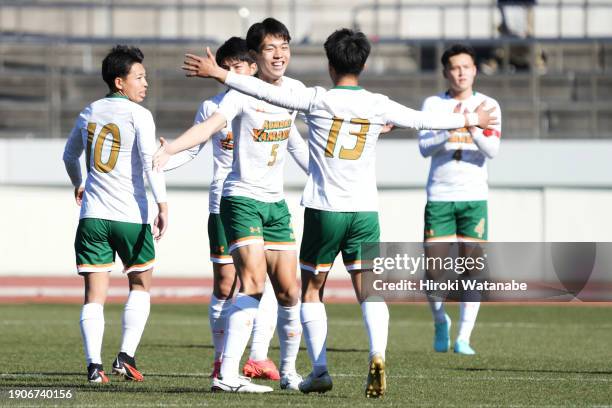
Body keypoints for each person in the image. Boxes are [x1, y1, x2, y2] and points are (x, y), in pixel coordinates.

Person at [178, 29, 498, 398]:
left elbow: (265, 91)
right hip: (365, 211)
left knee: (312, 290)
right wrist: (470, 118)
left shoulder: (316, 98)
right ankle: (377, 354)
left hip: (324, 209)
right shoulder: (378, 103)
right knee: (370, 292)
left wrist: (221, 74)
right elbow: (420, 120)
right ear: (363, 63)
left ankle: (319, 369)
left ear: (330, 64)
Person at [155, 18, 309, 393]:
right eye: (271, 48)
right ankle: (225, 371)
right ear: (257, 57)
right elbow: (205, 133)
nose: (279, 54)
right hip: (238, 198)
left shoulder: (295, 91)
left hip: (275, 204)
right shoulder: (236, 96)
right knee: (245, 283)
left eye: (283, 46)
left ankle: (286, 371)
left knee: (289, 290)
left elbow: (300, 143)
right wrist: (169, 149)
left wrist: (331, 169)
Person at [62, 45, 168, 383]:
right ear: (119, 81)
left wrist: (79, 183)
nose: (145, 83)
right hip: (129, 216)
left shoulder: (89, 111)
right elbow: (152, 164)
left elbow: (68, 156)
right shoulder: (140, 115)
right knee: (140, 283)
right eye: (139, 77)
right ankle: (125, 356)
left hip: (92, 216)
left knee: (94, 293)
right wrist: (163, 204)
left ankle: (94, 367)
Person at [418, 44, 502, 355]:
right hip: (440, 195)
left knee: (473, 267)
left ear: (475, 70)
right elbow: (424, 148)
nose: (461, 72)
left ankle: (464, 337)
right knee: (435, 268)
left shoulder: (489, 105)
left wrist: (472, 124)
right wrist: (457, 123)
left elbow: (491, 150)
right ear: (445, 72)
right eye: (454, 67)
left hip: (473, 197)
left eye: (466, 66)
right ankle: (440, 320)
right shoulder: (433, 104)